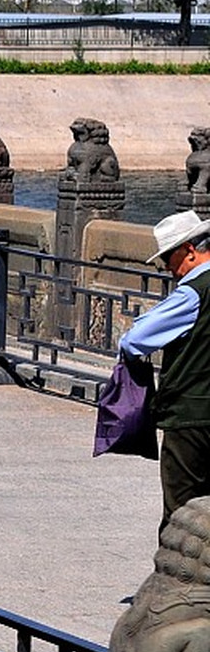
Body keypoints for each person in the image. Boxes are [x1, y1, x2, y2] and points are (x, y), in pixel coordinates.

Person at [121, 210, 210, 523]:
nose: (166, 269)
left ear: (188, 251)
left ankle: (175, 574)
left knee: (181, 514)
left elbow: (134, 340)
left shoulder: (193, 291)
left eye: (166, 259)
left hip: (192, 417)